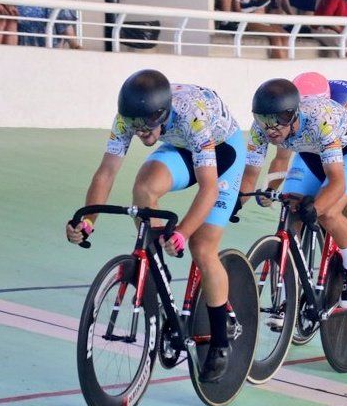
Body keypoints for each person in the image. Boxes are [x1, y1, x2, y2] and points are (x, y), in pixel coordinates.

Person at [65, 70, 246, 382]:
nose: (140, 132)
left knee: (202, 247)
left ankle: (220, 339)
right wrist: (88, 220)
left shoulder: (192, 116)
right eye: (135, 125)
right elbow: (106, 172)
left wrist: (183, 232)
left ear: (162, 113)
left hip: (222, 149)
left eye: (147, 125)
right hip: (181, 145)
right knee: (145, 187)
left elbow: (209, 189)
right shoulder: (130, 117)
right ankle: (158, 269)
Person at [240, 79, 347, 311]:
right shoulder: (261, 129)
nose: (270, 129)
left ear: (292, 116)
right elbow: (249, 176)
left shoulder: (320, 122)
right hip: (312, 153)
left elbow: (337, 181)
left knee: (328, 212)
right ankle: (292, 282)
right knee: (291, 205)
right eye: (264, 121)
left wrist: (317, 207)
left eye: (277, 122)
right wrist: (236, 203)